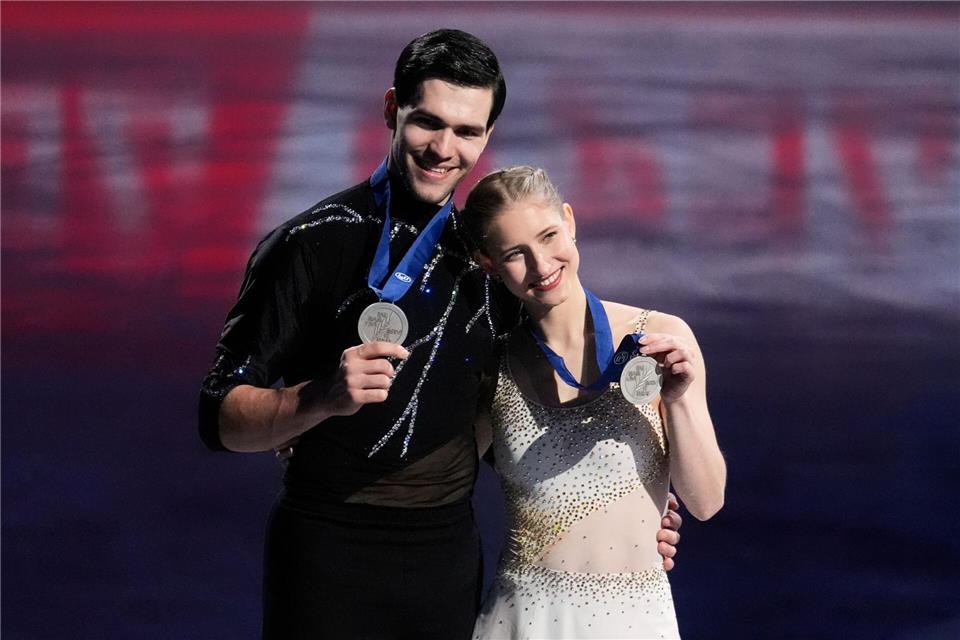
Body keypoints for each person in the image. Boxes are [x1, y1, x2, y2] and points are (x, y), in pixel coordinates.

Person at [198, 29, 682, 639]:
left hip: (444, 560)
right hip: (325, 551)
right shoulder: (308, 244)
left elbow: (514, 420)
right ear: (390, 108)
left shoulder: (489, 266)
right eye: (427, 122)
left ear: (487, 136)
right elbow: (219, 418)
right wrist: (316, 399)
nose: (443, 149)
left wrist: (625, 517)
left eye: (467, 131)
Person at [462, 166, 726, 639]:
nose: (542, 265)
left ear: (570, 220)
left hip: (635, 618)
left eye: (548, 236)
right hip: (523, 619)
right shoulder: (490, 366)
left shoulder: (662, 337)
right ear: (488, 262)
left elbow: (706, 502)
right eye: (516, 254)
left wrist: (679, 401)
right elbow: (438, 486)